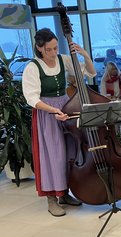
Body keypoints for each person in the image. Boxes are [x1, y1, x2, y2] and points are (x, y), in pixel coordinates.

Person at [22, 28, 96, 217]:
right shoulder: (33, 67)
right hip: (46, 113)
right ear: (39, 48)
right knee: (53, 156)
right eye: (49, 50)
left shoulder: (63, 59)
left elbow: (91, 73)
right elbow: (31, 98)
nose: (54, 53)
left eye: (55, 48)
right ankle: (52, 198)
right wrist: (53, 109)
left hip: (66, 108)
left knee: (70, 152)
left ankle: (64, 193)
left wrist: (86, 55)